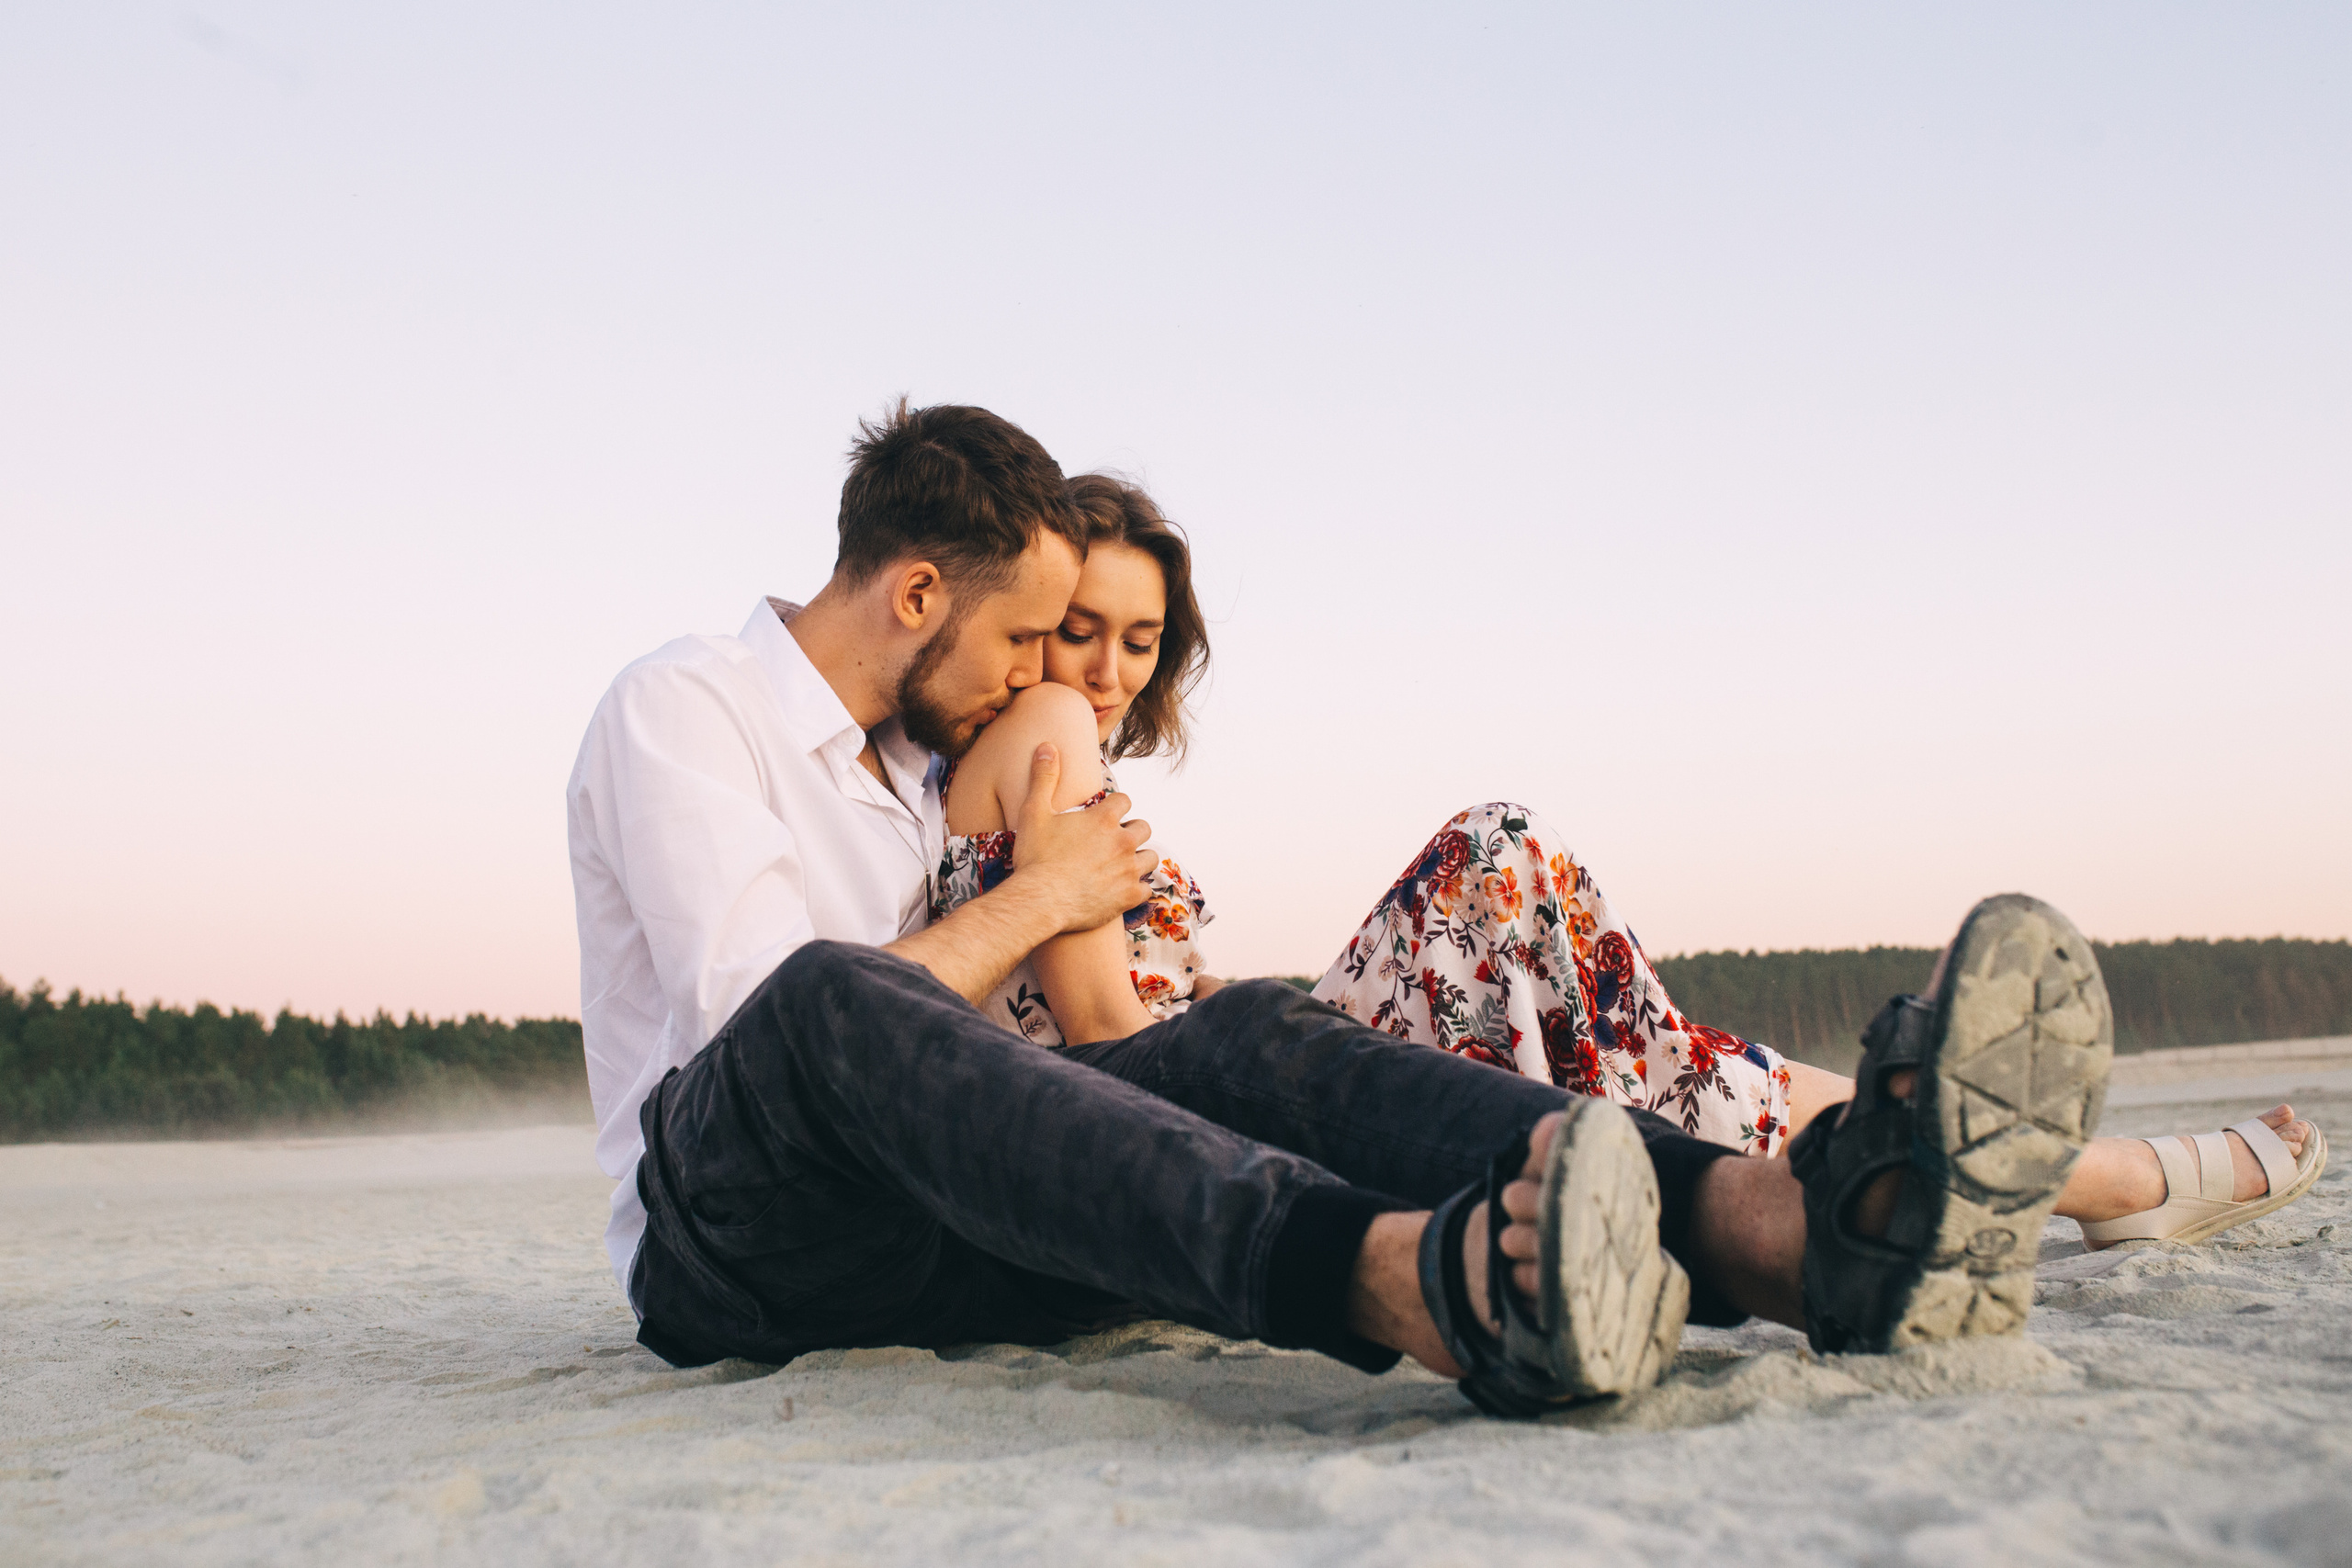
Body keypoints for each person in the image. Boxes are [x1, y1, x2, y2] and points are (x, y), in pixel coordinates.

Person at [567, 399, 2119, 1417]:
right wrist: (1042, 894)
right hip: (740, 1247)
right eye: (1026, 638)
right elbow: (765, 1038)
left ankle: (1794, 1233)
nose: (1048, 675)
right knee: (829, 994)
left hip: (946, 1230)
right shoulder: (686, 708)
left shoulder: (929, 761)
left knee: (1241, 1032)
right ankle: (1415, 1280)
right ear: (918, 595)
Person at [936, 472, 2327, 1251]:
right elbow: (1113, 1041)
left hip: (1226, 1082)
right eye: (1079, 629)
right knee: (1510, 872)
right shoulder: (1049, 736)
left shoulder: (1009, 758)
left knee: (1646, 1047)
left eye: (1138, 640)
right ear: (1031, 612)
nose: (1104, 670)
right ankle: (2096, 1179)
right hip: (1208, 1123)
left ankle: (2071, 1177)